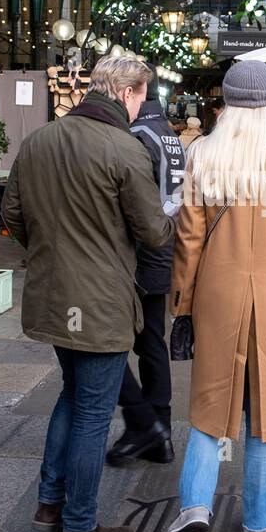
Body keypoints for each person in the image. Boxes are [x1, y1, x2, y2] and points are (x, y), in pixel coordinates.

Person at [3, 55, 175, 532]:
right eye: (142, 95)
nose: (143, 105)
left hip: (51, 296)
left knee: (73, 394)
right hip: (100, 301)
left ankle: (51, 503)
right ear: (126, 93)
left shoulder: (40, 139)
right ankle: (79, 528)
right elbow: (153, 231)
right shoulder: (123, 148)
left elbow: (11, 214)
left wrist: (51, 248)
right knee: (93, 413)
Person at [166, 59, 266, 532]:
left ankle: (195, 503)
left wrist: (182, 306)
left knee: (212, 400)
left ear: (226, 103)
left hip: (219, 289)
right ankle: (258, 523)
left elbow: (189, 241)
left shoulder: (203, 155)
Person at [107, 86, 185, 468]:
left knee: (104, 340)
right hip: (164, 249)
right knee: (152, 340)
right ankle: (160, 432)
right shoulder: (167, 133)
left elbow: (132, 200)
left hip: (141, 252)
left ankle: (142, 421)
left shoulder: (137, 135)